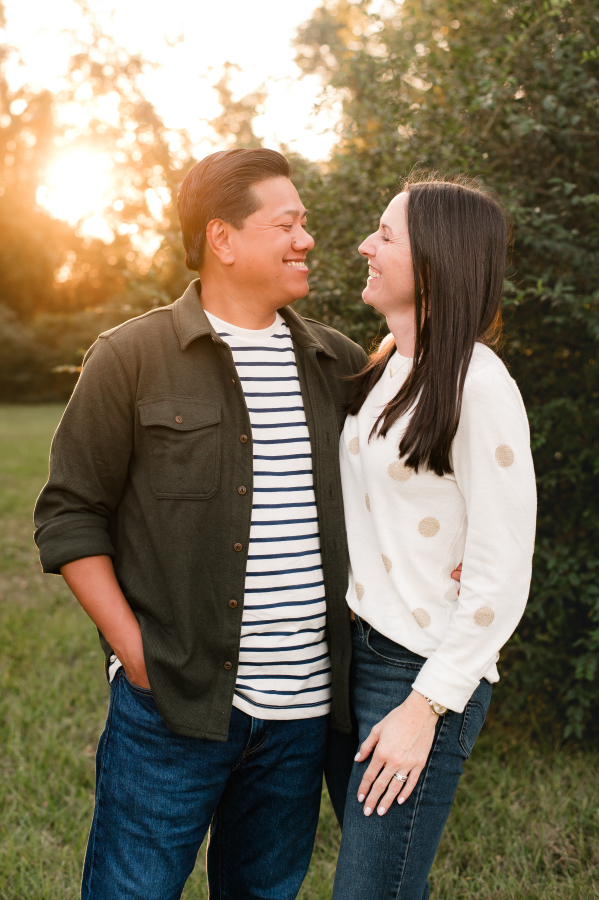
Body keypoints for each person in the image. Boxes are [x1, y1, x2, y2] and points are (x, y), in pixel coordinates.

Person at [33, 148, 368, 900]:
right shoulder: (130, 357)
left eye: (303, 223)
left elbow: (408, 477)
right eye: (286, 223)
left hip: (302, 719)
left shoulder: (335, 363)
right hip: (171, 706)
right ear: (222, 238)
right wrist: (137, 655)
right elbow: (69, 514)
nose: (306, 239)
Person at [327, 175, 537, 899]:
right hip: (355, 652)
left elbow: (502, 570)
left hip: (417, 673)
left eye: (384, 235)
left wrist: (424, 707)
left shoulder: (478, 384)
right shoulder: (388, 363)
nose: (365, 246)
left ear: (435, 262)